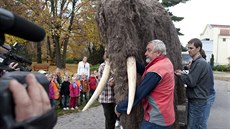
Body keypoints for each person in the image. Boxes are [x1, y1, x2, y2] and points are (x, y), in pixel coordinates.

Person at [115, 39, 175, 129]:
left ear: (158, 52)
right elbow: (147, 73)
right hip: (166, 116)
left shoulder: (157, 70)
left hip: (156, 120)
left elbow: (139, 94)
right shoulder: (166, 63)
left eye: (149, 50)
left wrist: (119, 108)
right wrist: (133, 63)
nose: (145, 53)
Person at [175, 38, 211, 129]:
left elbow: (191, 82)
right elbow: (194, 78)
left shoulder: (200, 63)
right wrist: (183, 73)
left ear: (198, 48)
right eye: (188, 48)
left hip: (197, 101)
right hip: (196, 99)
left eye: (191, 48)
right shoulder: (196, 62)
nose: (188, 50)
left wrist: (180, 75)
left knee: (192, 126)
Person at [98, 57, 117, 129]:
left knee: (114, 118)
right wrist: (113, 80)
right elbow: (101, 81)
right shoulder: (102, 66)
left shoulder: (118, 65)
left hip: (116, 98)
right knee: (109, 119)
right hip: (106, 98)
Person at [200, 49, 216, 129]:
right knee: (201, 120)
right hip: (207, 95)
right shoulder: (204, 64)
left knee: (202, 121)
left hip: (208, 96)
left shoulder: (204, 65)